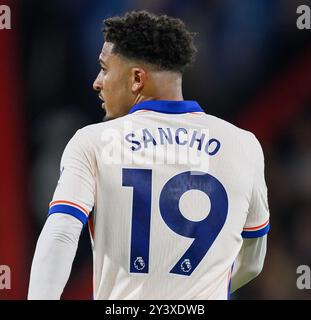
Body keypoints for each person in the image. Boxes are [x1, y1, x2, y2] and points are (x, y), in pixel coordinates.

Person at [28, 10, 269, 300]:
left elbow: (61, 233)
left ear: (137, 79)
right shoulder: (244, 145)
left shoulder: (93, 142)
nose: (97, 82)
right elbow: (253, 261)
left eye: (104, 69)